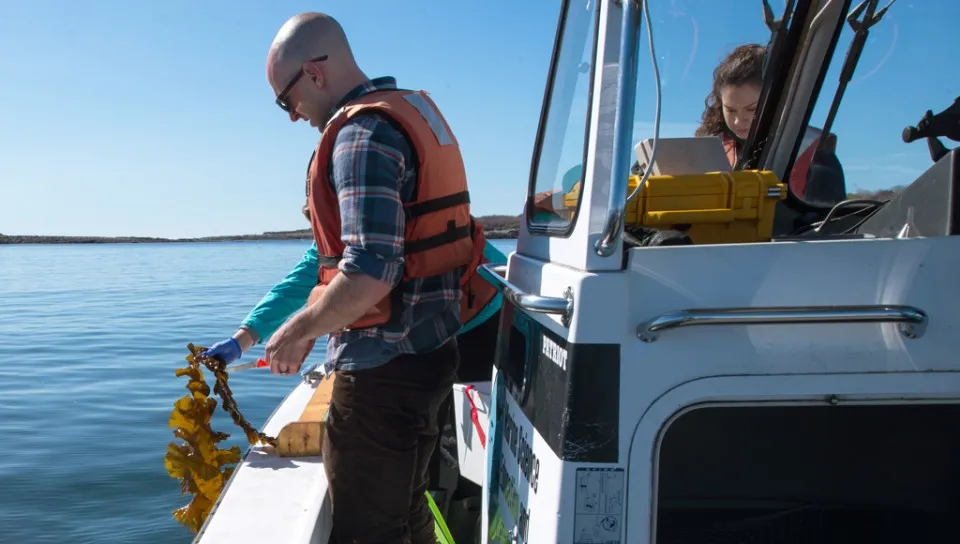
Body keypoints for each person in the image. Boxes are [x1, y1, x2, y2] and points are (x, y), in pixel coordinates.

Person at [236, 11, 497, 543]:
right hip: (428, 356)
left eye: (286, 101)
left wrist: (298, 331)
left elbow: (370, 272)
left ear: (313, 72)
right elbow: (337, 258)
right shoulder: (400, 116)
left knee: (367, 531)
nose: (291, 116)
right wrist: (255, 329)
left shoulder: (360, 136)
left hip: (383, 373)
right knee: (408, 512)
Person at [695, 43, 846, 204]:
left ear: (778, 103)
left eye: (751, 109)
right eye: (730, 110)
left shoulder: (817, 155)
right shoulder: (708, 148)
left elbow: (832, 221)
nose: (739, 120)